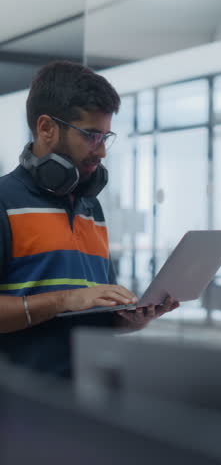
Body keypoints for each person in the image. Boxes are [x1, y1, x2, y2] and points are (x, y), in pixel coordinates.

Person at [0, 61, 179, 379]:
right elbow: (71, 301)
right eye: (91, 136)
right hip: (22, 405)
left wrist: (128, 319)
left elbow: (90, 310)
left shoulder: (90, 208)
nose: (102, 152)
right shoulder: (4, 201)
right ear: (46, 128)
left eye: (105, 137)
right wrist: (65, 299)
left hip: (87, 399)